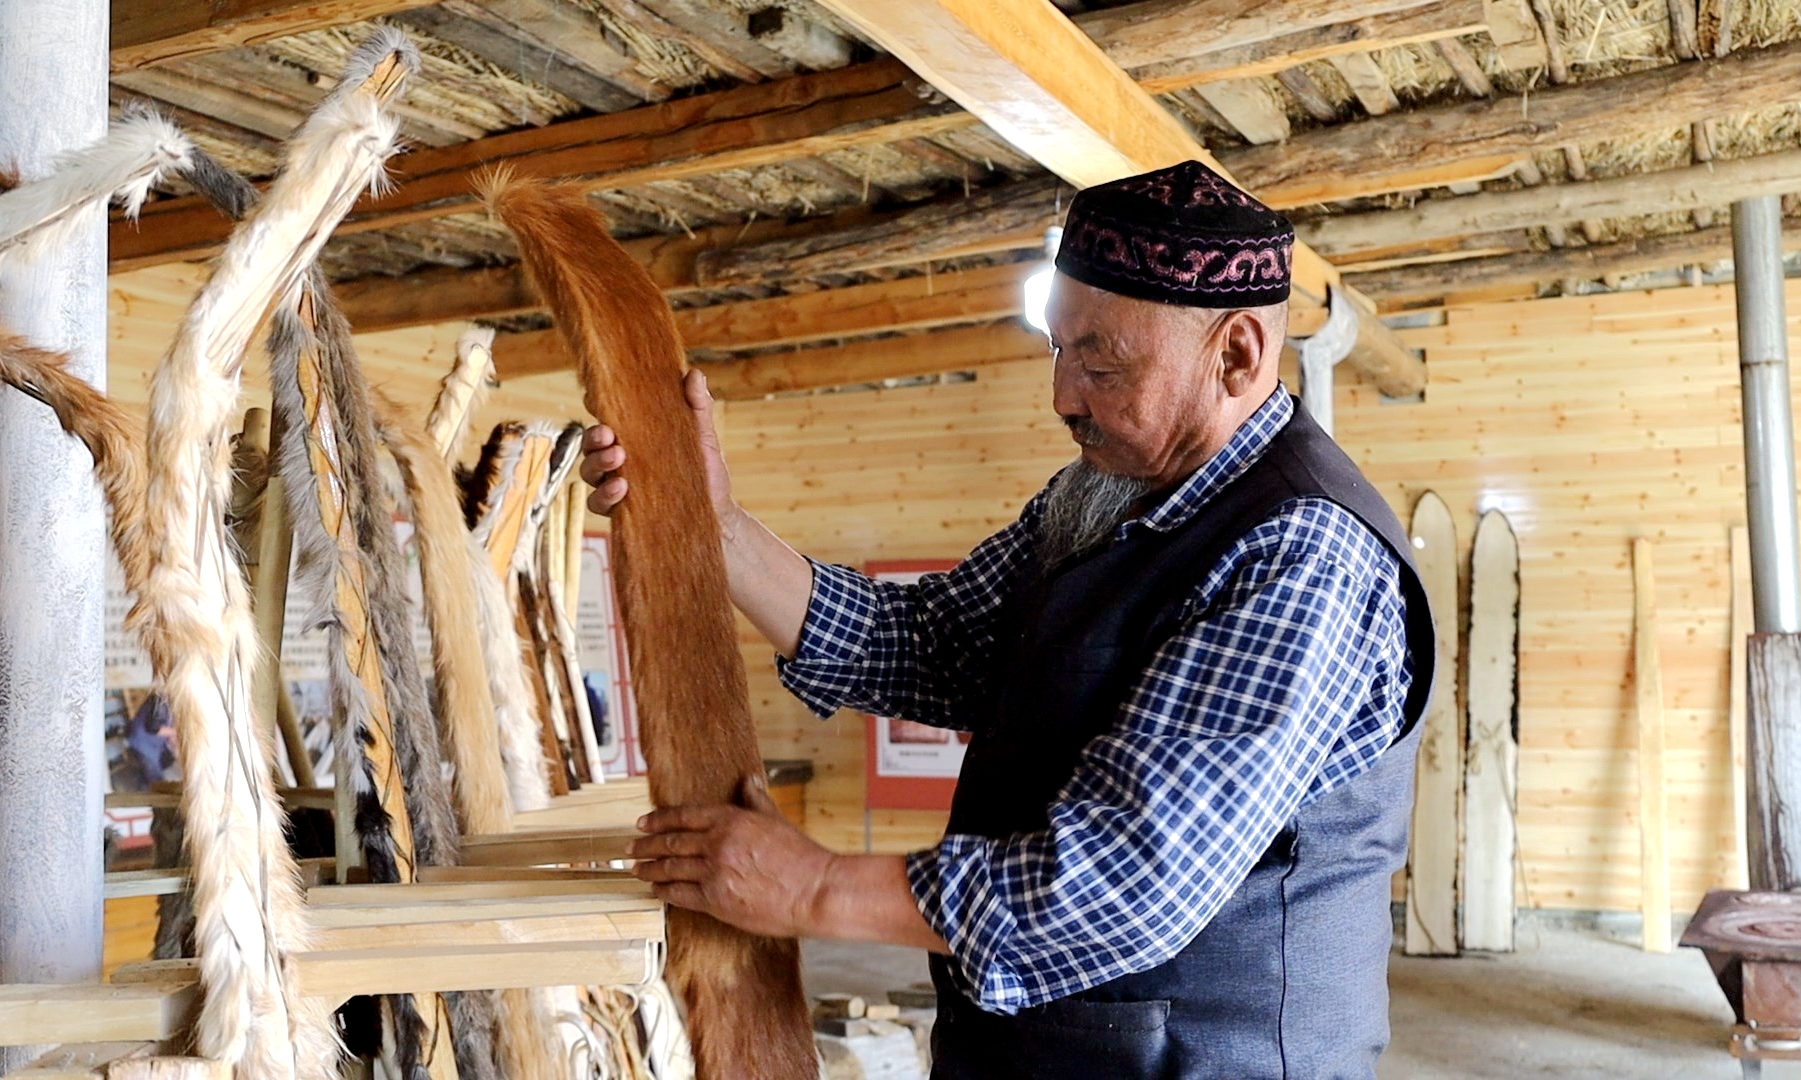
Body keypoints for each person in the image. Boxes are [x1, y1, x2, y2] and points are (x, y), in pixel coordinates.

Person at [582, 160, 1436, 1079]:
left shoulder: (1304, 552)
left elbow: (1128, 878)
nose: (1063, 395)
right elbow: (924, 645)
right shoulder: (1102, 491)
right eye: (1058, 351)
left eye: (1101, 362)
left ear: (1235, 355)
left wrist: (814, 887)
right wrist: (715, 531)